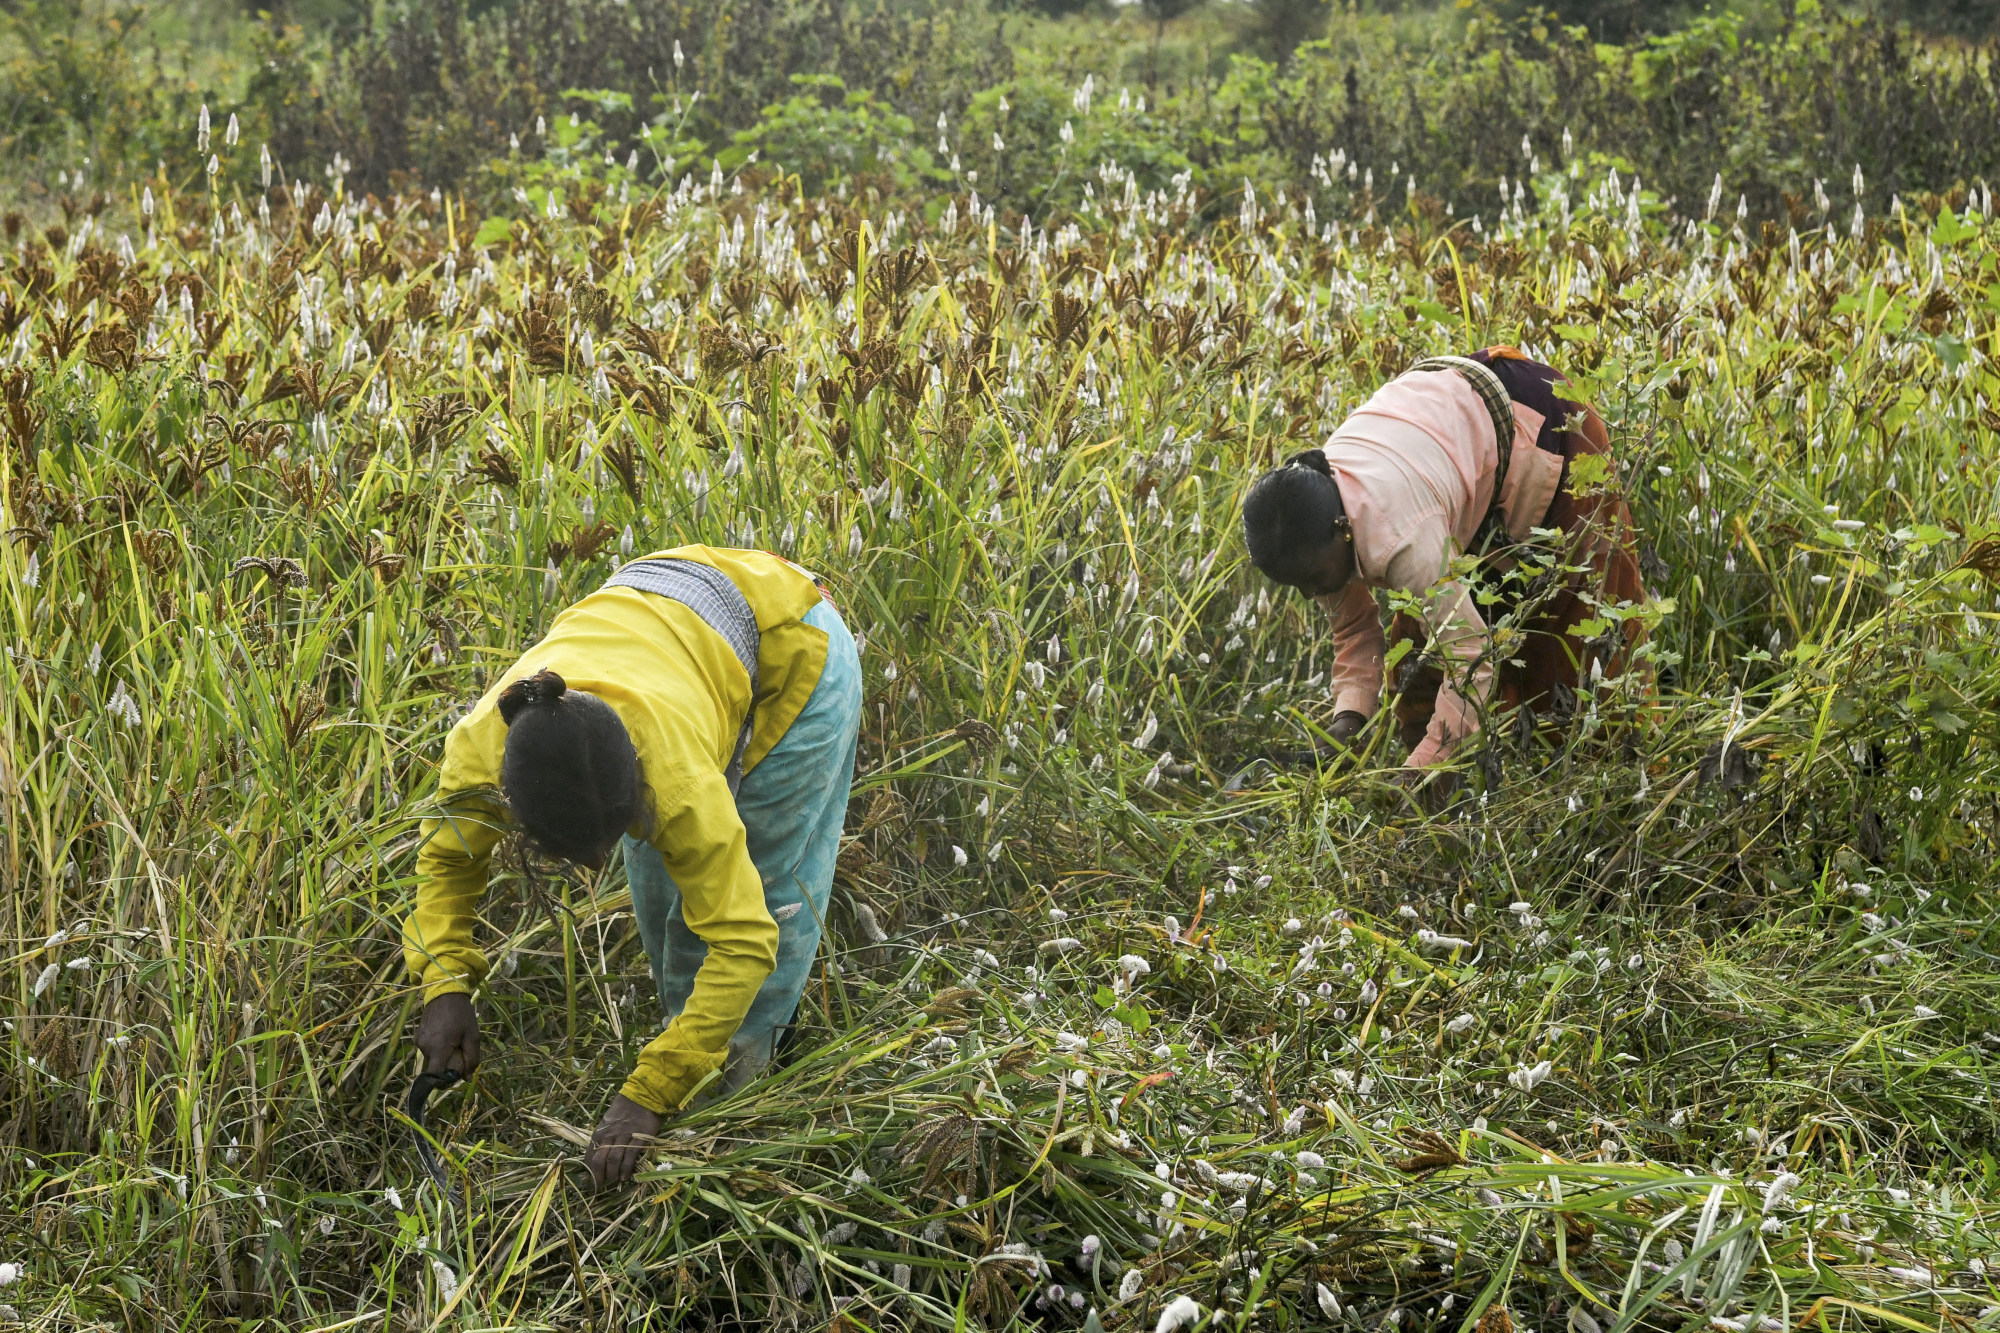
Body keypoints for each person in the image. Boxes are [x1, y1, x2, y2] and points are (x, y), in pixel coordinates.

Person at [403, 545, 861, 1188]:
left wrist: (649, 1093)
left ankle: (727, 1128)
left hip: (794, 646)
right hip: (672, 620)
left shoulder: (675, 780)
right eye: (579, 851)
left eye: (614, 834)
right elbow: (447, 866)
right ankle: (693, 1069)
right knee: (668, 916)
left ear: (637, 789)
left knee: (763, 892)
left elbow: (744, 937)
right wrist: (444, 984)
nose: (598, 864)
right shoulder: (482, 759)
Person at [1241, 348, 1649, 782]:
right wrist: (1347, 723)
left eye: (1310, 579)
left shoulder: (1403, 537)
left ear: (1343, 528)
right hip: (1464, 453)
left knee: (1580, 645)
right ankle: (1442, 800)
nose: (1310, 593)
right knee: (1418, 667)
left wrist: (1424, 769)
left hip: (1550, 426)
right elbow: (1353, 630)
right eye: (1295, 585)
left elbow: (1472, 656)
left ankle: (1607, 781)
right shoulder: (1317, 512)